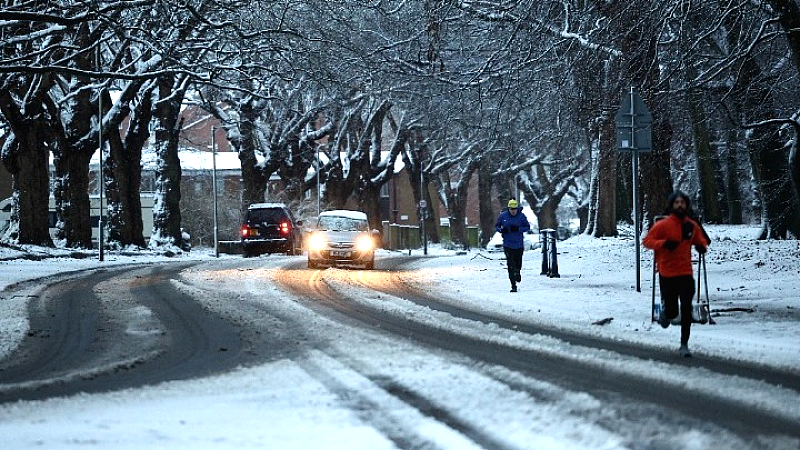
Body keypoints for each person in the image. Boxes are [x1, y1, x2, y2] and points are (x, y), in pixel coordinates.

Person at [642, 191, 710, 357]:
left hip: (685, 273)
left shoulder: (691, 225)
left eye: (682, 202)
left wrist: (701, 247)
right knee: (673, 311)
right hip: (667, 273)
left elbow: (701, 240)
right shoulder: (663, 225)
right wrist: (664, 243)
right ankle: (667, 314)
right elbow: (647, 241)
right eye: (677, 202)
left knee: (686, 307)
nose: (680, 205)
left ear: (686, 205)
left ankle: (684, 344)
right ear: (671, 205)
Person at [495, 198, 531, 293]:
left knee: (518, 263)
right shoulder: (503, 216)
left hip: (519, 244)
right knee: (510, 264)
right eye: (511, 209)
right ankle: (513, 285)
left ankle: (518, 272)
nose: (513, 211)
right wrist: (502, 230)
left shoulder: (522, 216)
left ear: (517, 209)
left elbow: (527, 227)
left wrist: (518, 229)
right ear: (508, 209)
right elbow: (497, 226)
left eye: (514, 209)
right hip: (508, 244)